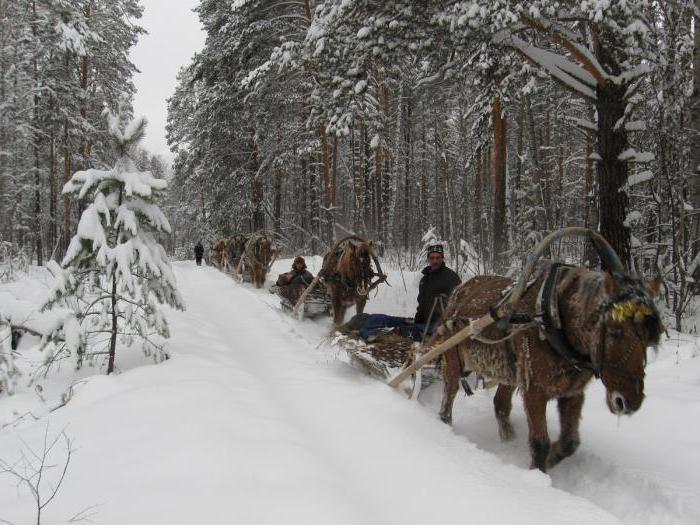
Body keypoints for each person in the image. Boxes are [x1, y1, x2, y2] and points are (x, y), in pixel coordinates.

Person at [414, 244, 461, 325]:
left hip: (441, 326)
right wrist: (416, 322)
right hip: (424, 324)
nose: (435, 261)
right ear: (428, 259)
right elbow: (421, 304)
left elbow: (459, 303)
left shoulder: (451, 277)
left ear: (442, 258)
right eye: (432, 258)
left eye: (437, 258)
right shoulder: (424, 279)